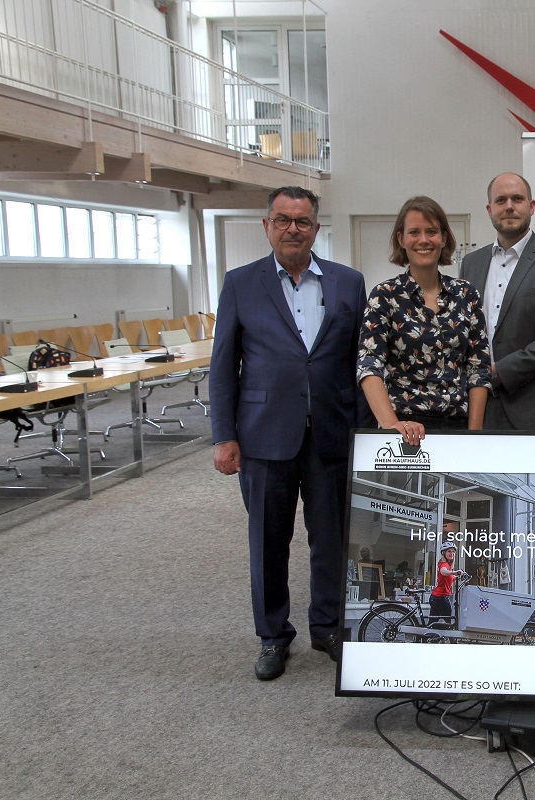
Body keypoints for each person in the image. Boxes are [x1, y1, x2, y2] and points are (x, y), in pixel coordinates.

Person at [209, 186, 369, 680]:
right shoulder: (240, 283)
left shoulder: (348, 282)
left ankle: (327, 626)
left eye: (301, 221)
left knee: (331, 540)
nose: (292, 229)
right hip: (263, 437)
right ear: (267, 226)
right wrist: (223, 435)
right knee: (268, 542)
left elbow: (361, 363)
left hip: (331, 435)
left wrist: (365, 435)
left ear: (316, 228)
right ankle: (273, 636)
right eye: (282, 220)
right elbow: (222, 366)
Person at [357, 196, 491, 445]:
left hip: (458, 427)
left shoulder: (466, 294)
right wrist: (391, 425)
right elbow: (369, 365)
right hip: (405, 429)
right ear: (401, 239)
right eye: (414, 232)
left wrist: (474, 437)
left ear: (443, 238)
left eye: (431, 232)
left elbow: (478, 369)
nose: (423, 240)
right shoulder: (385, 295)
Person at [460, 172, 535, 430]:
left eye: (517, 199)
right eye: (501, 200)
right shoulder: (471, 263)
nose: (509, 207)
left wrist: (497, 372)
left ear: (531, 206)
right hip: (480, 408)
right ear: (489, 209)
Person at [429, 542, 462, 622]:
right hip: (440, 598)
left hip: (437, 597)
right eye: (449, 551)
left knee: (433, 622)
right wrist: (453, 572)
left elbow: (449, 577)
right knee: (448, 622)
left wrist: (459, 576)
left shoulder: (448, 565)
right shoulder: (444, 564)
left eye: (453, 551)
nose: (452, 553)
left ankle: (427, 634)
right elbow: (443, 571)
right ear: (444, 553)